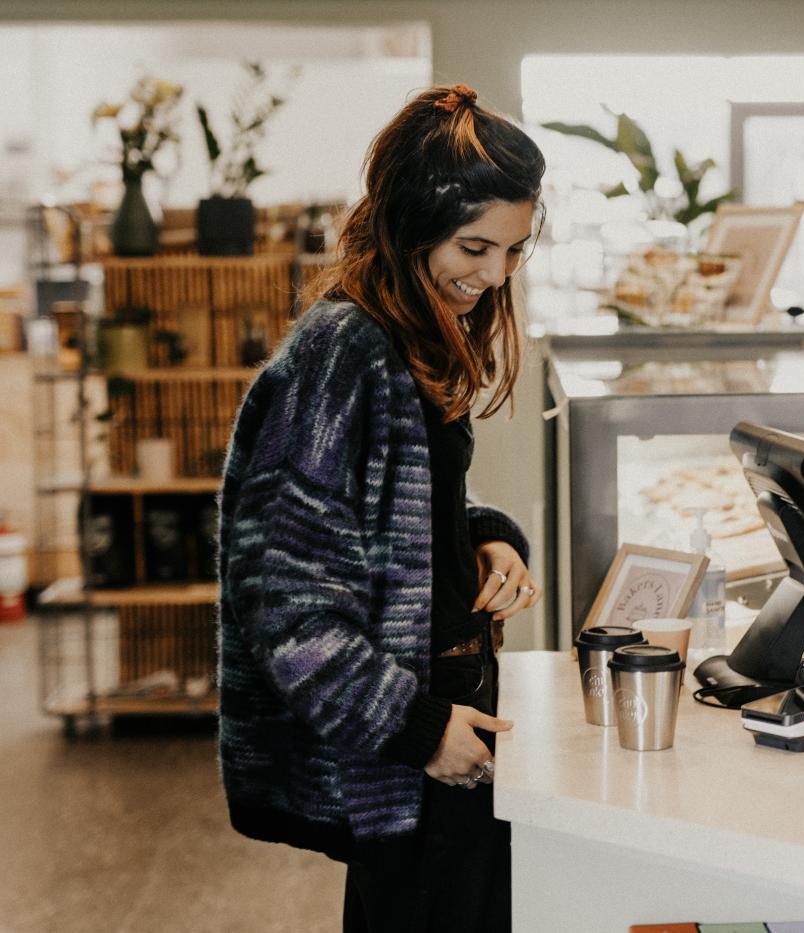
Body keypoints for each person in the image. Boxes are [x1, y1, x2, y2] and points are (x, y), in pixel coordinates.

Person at [217, 83, 545, 931]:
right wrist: (422, 731)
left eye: (513, 250)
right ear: (410, 220)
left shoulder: (406, 333)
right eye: (476, 246)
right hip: (417, 745)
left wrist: (481, 536)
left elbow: (393, 500)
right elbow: (284, 605)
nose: (494, 273)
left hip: (442, 725)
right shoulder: (341, 351)